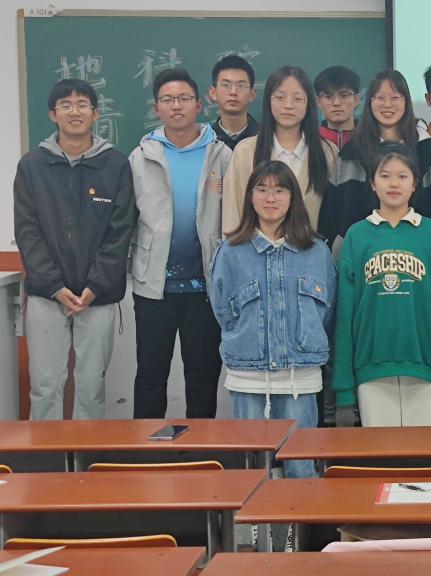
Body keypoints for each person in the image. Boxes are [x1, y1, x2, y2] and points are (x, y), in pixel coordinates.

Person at [15, 79, 135, 420]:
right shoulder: (32, 166)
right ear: (53, 114)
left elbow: (120, 232)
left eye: (83, 104)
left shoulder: (115, 165)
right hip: (46, 294)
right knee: (45, 386)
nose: (75, 112)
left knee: (91, 386)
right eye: (65, 105)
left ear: (96, 113)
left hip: (97, 295)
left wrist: (94, 286)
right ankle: (46, 453)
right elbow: (27, 231)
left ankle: (86, 452)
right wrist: (54, 286)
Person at [211, 160, 335, 478]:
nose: (270, 198)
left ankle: (301, 515)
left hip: (300, 377)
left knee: (300, 468)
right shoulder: (230, 252)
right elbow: (222, 311)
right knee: (253, 472)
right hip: (248, 377)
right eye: (262, 190)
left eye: (279, 190)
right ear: (250, 197)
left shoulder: (317, 252)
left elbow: (327, 312)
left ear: (292, 198)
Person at [332, 143, 431, 426]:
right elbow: (345, 315)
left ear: (415, 183)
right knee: (380, 452)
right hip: (371, 368)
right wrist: (343, 382)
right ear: (372, 182)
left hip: (427, 366)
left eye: (402, 176)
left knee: (427, 451)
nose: (394, 184)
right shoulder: (357, 235)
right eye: (385, 176)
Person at [129, 68, 231, 418]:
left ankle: (199, 447)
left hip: (205, 286)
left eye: (184, 98)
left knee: (202, 377)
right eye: (168, 99)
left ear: (199, 105)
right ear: (156, 107)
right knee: (150, 375)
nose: (176, 106)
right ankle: (145, 446)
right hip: (154, 286)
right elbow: (127, 219)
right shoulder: (141, 157)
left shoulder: (222, 155)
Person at [319, 70, 431, 244]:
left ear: (406, 101)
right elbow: (332, 216)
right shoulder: (351, 154)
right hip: (361, 254)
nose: (387, 105)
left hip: (421, 254)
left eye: (395, 98)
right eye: (380, 98)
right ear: (370, 102)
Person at [223, 66, 337, 237]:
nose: (288, 105)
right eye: (280, 97)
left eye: (297, 99)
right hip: (253, 253)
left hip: (309, 251)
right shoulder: (245, 152)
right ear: (268, 101)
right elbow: (232, 216)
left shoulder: (327, 153)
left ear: (309, 103)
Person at [208, 55, 259, 150]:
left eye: (241, 85)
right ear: (213, 93)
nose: (233, 92)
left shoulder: (266, 139)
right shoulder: (204, 141)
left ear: (252, 94)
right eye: (226, 85)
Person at [315, 65, 361, 149]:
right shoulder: (310, 141)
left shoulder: (370, 140)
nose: (336, 103)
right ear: (318, 102)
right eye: (328, 97)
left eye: (344, 95)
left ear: (356, 100)